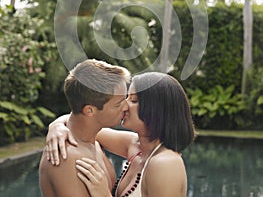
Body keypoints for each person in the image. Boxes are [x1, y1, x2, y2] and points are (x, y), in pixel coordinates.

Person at [46, 72, 195, 197]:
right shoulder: (135, 145)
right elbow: (85, 124)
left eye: (134, 100)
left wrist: (104, 195)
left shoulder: (165, 164)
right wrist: (57, 126)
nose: (124, 105)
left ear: (156, 112)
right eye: (126, 98)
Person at [39, 58, 130, 197]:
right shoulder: (67, 156)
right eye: (118, 104)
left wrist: (56, 124)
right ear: (90, 110)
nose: (126, 106)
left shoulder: (93, 141)